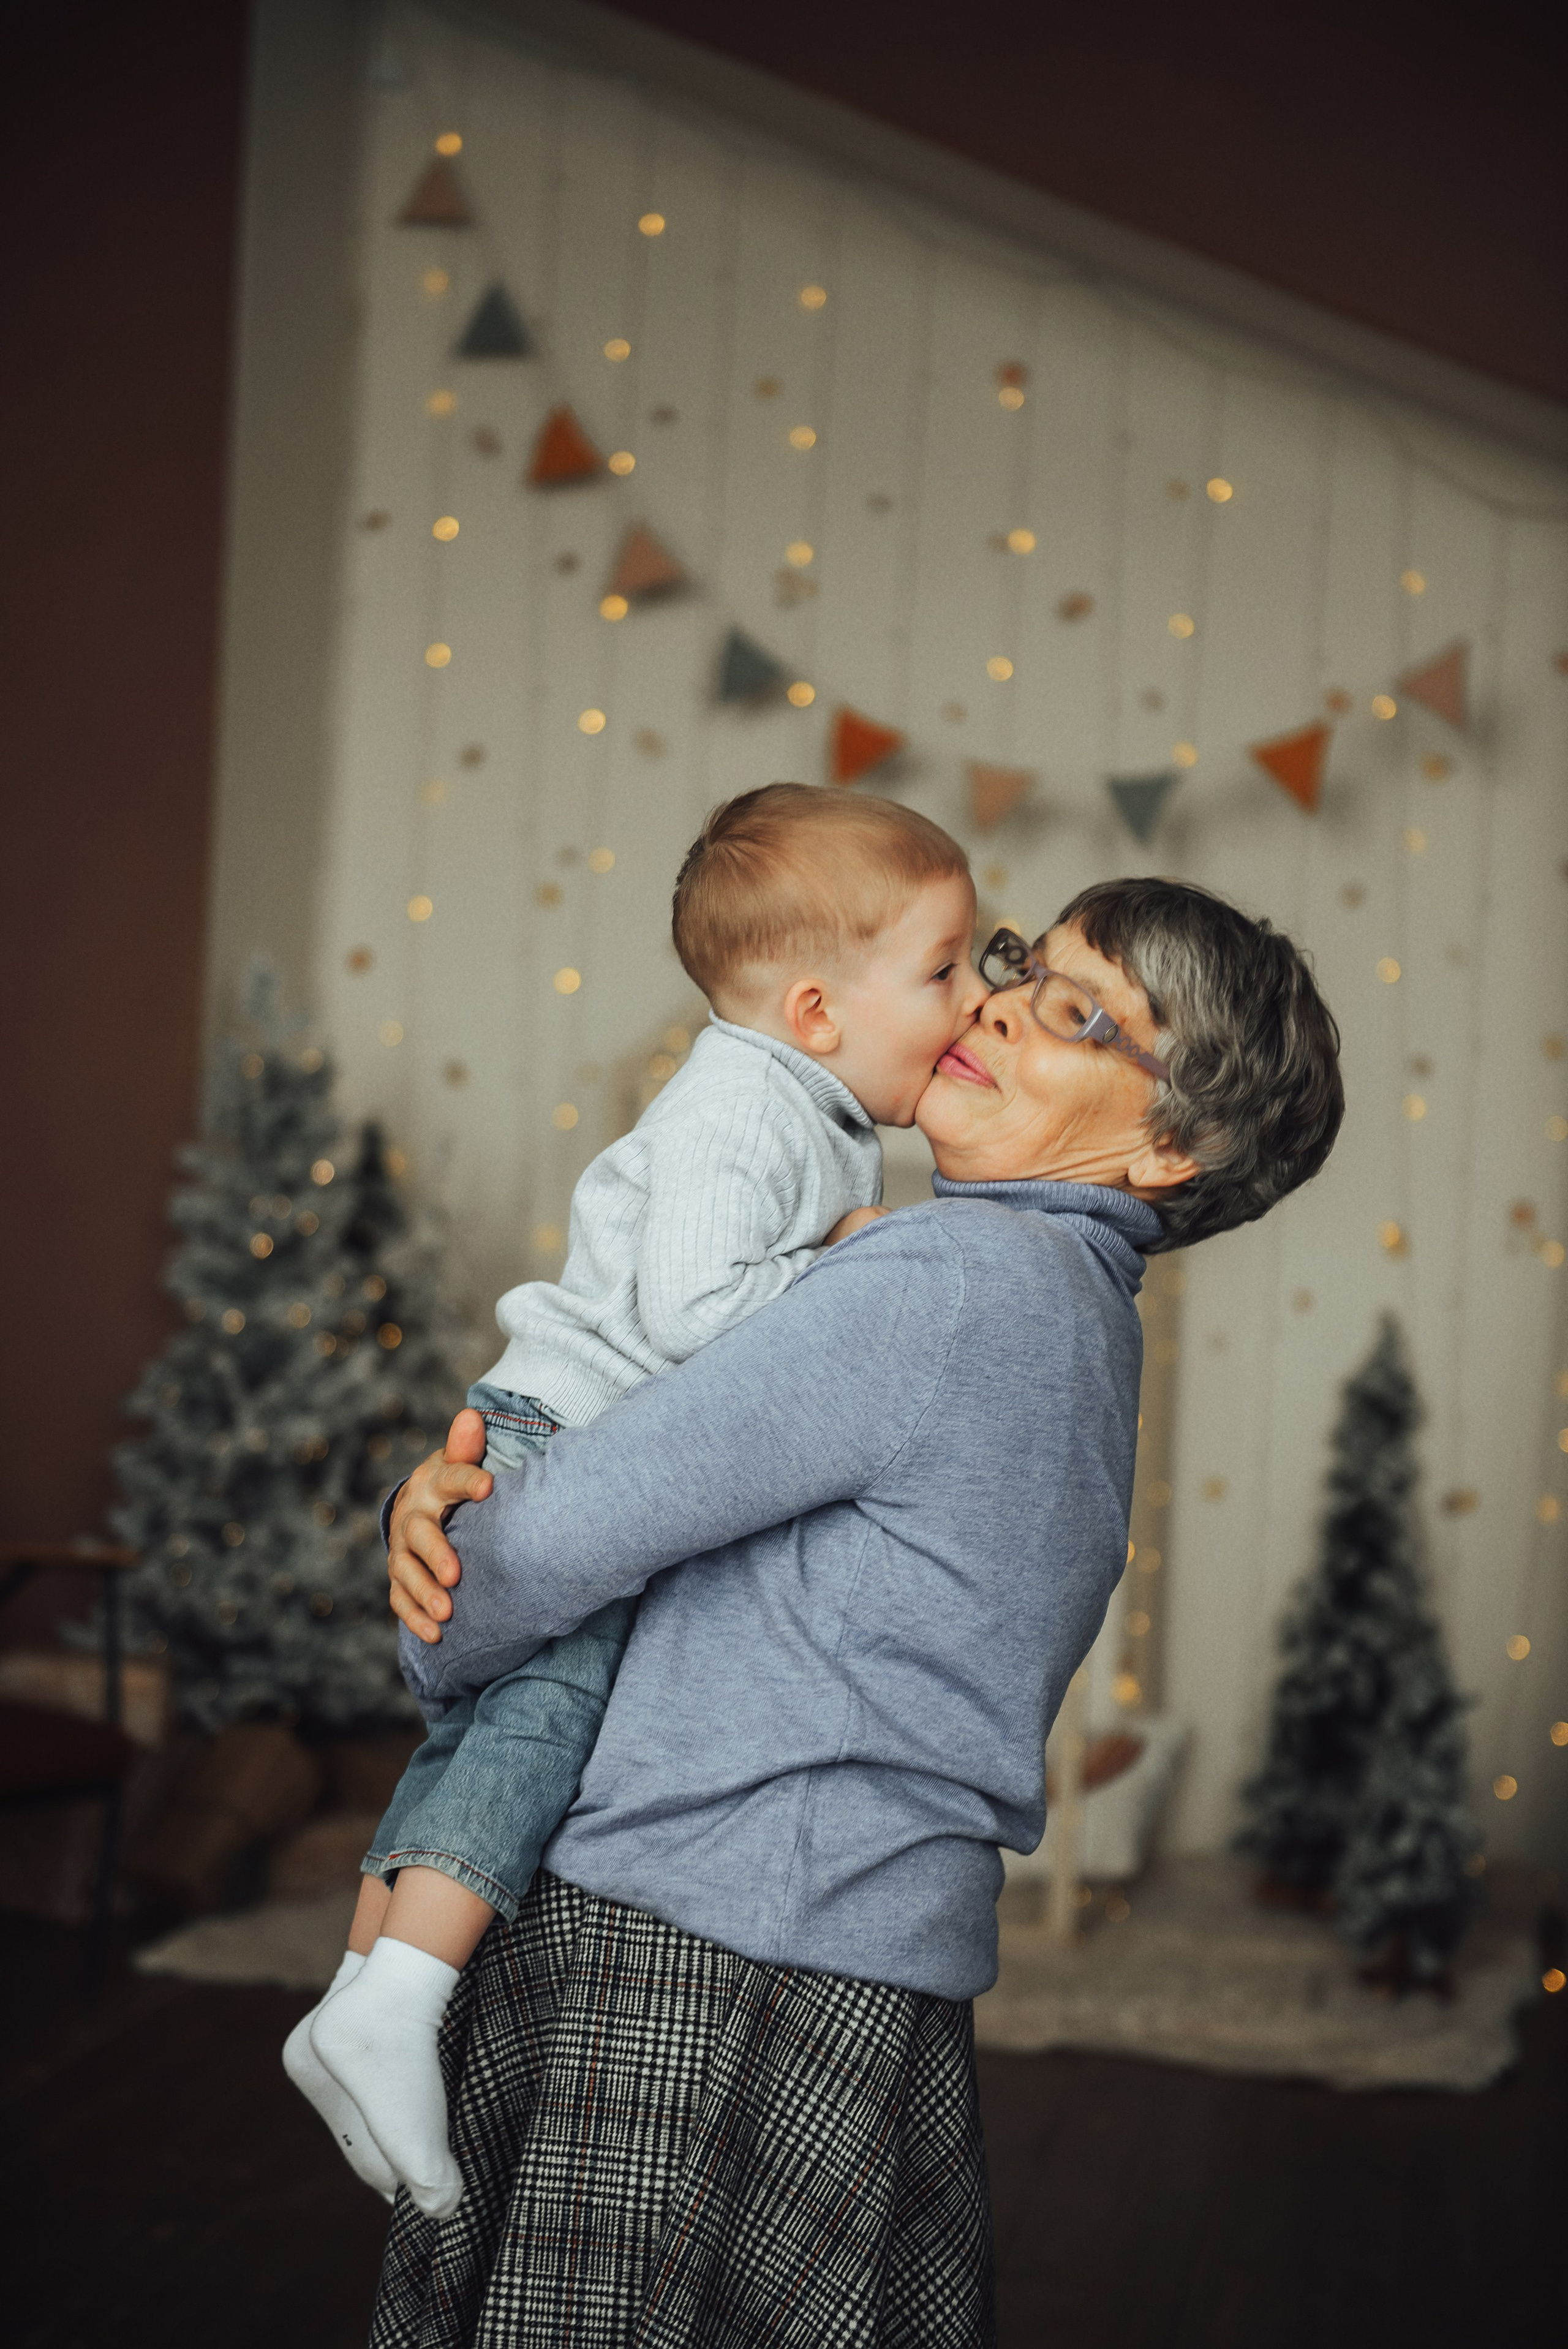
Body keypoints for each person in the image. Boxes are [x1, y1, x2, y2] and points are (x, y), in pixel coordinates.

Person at [372, 875, 1344, 2347]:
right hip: (853, 1955)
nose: (1005, 1001)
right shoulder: (1070, 1317)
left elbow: (557, 1537)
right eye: (1024, 965)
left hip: (696, 1943)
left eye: (1080, 1015)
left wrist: (437, 1581)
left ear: (1168, 1145)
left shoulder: (951, 1280)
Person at [283, 785, 987, 2214]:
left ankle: (360, 1984)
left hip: (566, 1424)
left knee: (486, 1727)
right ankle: (402, 1998)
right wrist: (849, 1265)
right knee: (549, 1708)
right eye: (944, 969)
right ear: (811, 1009)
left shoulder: (800, 1094)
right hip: (567, 1433)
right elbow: (693, 1310)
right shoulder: (744, 1104)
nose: (973, 999)